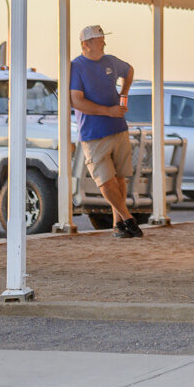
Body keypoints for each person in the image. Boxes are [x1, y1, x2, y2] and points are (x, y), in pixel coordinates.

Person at [70, 25, 143, 239]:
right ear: (86, 44)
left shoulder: (110, 61)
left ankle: (118, 225)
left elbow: (129, 71)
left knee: (120, 177)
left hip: (118, 128)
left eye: (103, 38)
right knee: (105, 180)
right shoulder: (76, 67)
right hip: (93, 134)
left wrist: (124, 94)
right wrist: (108, 111)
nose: (104, 42)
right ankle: (128, 218)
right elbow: (77, 101)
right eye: (99, 39)